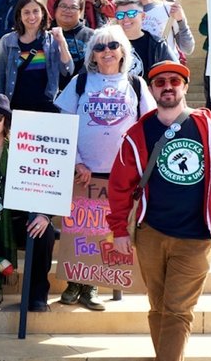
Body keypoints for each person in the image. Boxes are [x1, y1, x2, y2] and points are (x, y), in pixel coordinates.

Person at [109, 60, 211, 361]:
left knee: (177, 311)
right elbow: (119, 186)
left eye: (174, 81)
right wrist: (120, 231)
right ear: (151, 89)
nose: (167, 87)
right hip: (152, 234)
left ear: (185, 87)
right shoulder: (138, 133)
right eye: (160, 83)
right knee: (159, 307)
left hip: (195, 237)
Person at [54, 24, 153, 310]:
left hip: (120, 173)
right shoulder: (81, 82)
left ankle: (93, 285)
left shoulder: (136, 84)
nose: (106, 52)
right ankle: (75, 282)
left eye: (112, 46)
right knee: (80, 228)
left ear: (123, 51)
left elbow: (147, 126)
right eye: (99, 47)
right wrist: (77, 162)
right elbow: (64, 125)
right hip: (83, 171)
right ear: (92, 55)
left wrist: (136, 167)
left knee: (105, 230)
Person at [0, 94, 56, 310]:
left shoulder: (26, 150)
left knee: (45, 232)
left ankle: (37, 295)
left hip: (16, 220)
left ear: (6, 119)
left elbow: (46, 182)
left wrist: (44, 214)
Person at [0, 0, 72, 113]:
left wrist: (62, 43)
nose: (31, 16)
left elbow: (67, 70)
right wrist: (0, 108)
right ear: (19, 15)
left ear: (43, 13)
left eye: (36, 11)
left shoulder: (52, 40)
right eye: (26, 12)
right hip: (15, 107)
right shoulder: (7, 41)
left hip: (45, 108)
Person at [126, 0, 194, 59]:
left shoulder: (168, 8)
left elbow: (187, 48)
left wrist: (181, 20)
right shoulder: (124, 13)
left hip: (166, 67)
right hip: (138, 69)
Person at [113, 0, 178, 77]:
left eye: (131, 13)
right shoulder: (109, 44)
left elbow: (176, 74)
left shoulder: (158, 45)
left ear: (143, 16)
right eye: (120, 15)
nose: (125, 18)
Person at [52, 0, 93, 87]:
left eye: (73, 7)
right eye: (63, 6)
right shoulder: (45, 35)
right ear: (56, 9)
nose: (67, 10)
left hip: (83, 92)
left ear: (80, 11)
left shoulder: (93, 36)